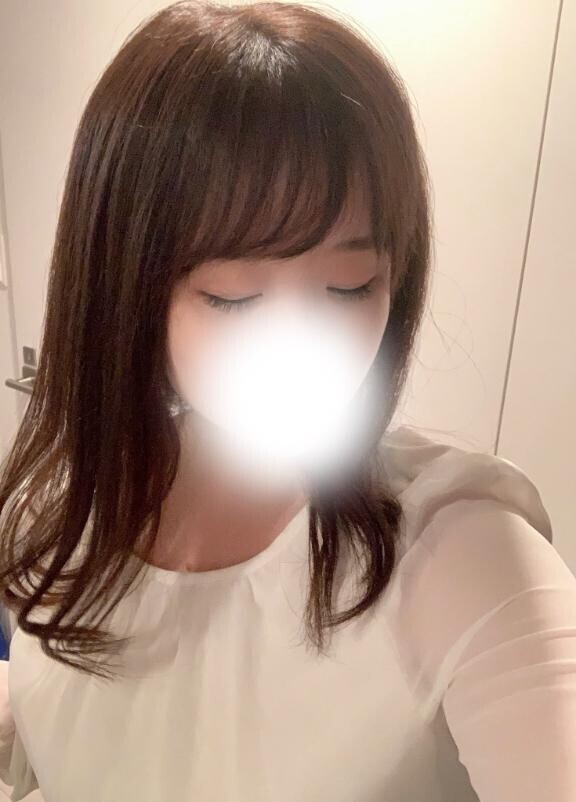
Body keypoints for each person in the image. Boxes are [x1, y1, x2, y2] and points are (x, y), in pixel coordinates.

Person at [0, 2, 575, 800]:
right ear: (124, 288)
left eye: (350, 286)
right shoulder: (56, 512)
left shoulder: (459, 549)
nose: (305, 348)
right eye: (234, 297)